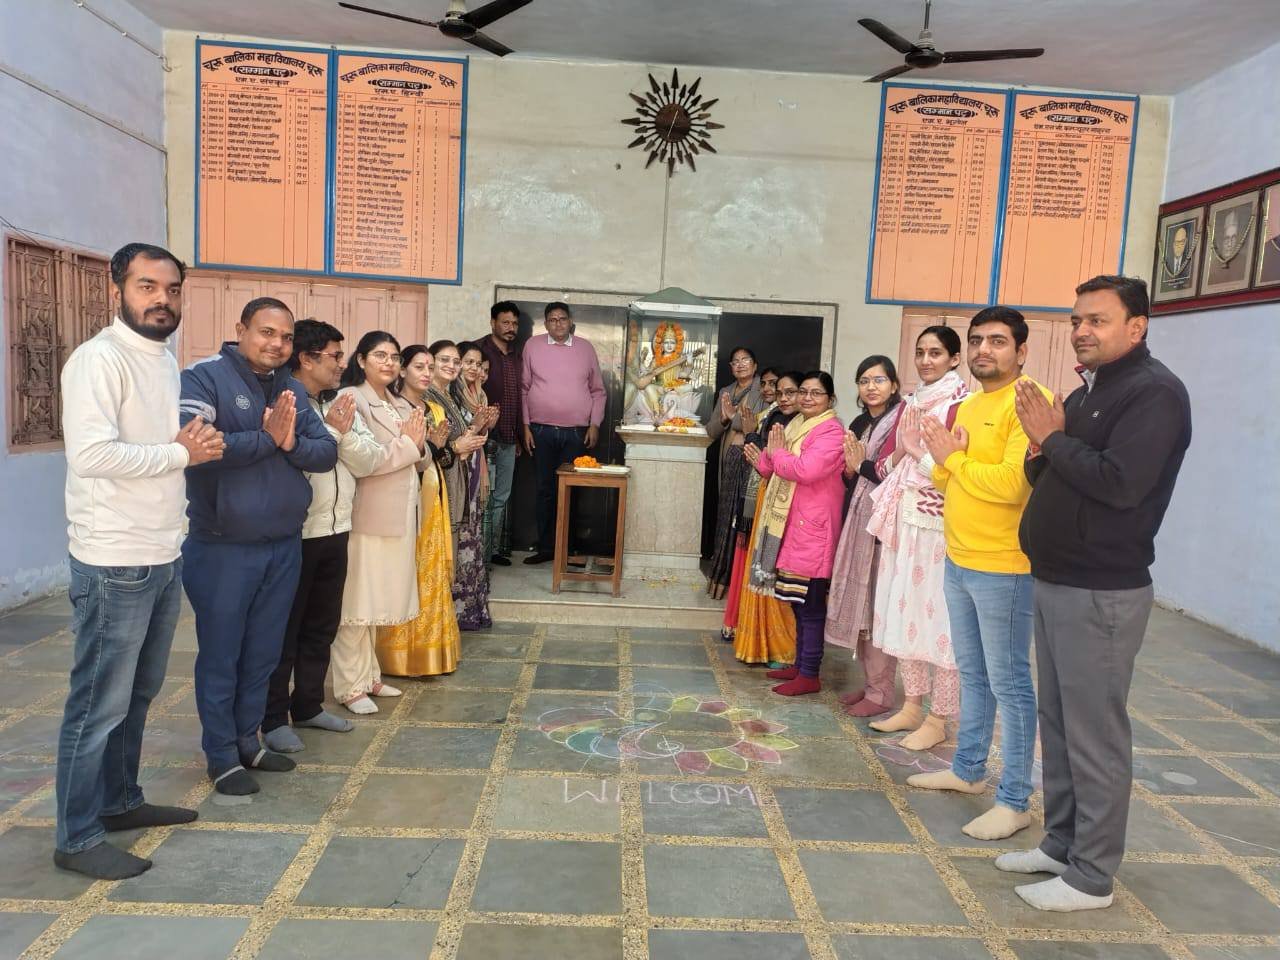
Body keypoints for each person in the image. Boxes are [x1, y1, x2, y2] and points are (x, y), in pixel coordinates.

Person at [1002, 276, 1191, 912]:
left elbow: (1120, 484)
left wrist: (1054, 439)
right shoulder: (1088, 393)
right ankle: (1061, 844)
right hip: (1057, 580)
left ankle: (1091, 876)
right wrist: (1043, 447)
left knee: (1095, 736)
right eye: (1077, 319)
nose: (1082, 330)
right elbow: (1054, 472)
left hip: (1101, 589)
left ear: (1136, 327)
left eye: (1097, 320)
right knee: (1058, 726)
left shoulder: (1154, 393)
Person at [54, 243, 221, 879]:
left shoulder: (162, 358)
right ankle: (76, 838)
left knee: (137, 695)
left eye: (172, 289)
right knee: (97, 705)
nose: (161, 299)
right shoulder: (98, 360)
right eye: (147, 286)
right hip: (113, 559)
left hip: (161, 551)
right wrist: (181, 454)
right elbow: (92, 455)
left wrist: (187, 449)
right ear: (117, 289)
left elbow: (160, 445)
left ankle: (119, 801)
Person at [180, 298, 337, 796]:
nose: (277, 344)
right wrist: (268, 439)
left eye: (286, 337)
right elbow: (198, 446)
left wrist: (289, 444)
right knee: (222, 655)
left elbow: (326, 452)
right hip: (224, 547)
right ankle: (221, 755)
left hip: (283, 545)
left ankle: (249, 742)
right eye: (267, 332)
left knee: (263, 654)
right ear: (241, 329)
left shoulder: (291, 387)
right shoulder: (205, 377)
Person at [907, 306, 1051, 842]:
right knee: (973, 674)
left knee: (1010, 683)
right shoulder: (968, 404)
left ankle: (1014, 801)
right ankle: (968, 770)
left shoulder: (1030, 402)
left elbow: (1013, 485)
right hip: (960, 558)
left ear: (1021, 350)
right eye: (976, 340)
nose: (983, 350)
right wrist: (947, 461)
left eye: (997, 341)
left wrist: (955, 461)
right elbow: (946, 479)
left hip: (1005, 566)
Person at [262, 320, 391, 752]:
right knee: (286, 629)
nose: (341, 364)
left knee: (322, 625)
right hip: (298, 532)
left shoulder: (339, 402)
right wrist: (334, 433)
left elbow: (370, 460)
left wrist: (339, 433)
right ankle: (273, 717)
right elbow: (295, 458)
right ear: (306, 358)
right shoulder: (284, 401)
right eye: (335, 356)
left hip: (337, 528)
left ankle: (309, 705)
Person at [865, 329, 968, 741]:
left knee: (939, 624)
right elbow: (890, 465)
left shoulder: (961, 406)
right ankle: (911, 707)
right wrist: (902, 452)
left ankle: (939, 719)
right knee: (905, 615)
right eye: (921, 352)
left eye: (936, 353)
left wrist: (916, 452)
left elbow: (955, 474)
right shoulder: (911, 403)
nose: (926, 360)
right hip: (905, 522)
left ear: (954, 358)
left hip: (939, 528)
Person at [330, 332, 428, 715]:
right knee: (356, 603)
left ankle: (369, 675)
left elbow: (420, 454)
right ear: (361, 360)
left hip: (398, 514)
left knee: (376, 601)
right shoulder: (351, 399)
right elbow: (362, 460)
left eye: (394, 356)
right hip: (366, 515)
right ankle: (349, 686)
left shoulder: (397, 403)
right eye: (380, 355)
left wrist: (418, 444)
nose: (389, 363)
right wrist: (409, 445)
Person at [749, 372, 845, 696]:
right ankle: (800, 665)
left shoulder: (831, 431)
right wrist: (766, 459)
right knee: (797, 602)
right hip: (793, 526)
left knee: (811, 605)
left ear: (830, 399)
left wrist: (777, 455)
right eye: (803, 391)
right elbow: (773, 468)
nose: (807, 398)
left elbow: (806, 469)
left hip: (814, 528)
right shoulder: (795, 426)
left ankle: (809, 674)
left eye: (816, 393)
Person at [825, 356, 904, 717]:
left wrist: (861, 465)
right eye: (864, 381)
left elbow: (896, 473)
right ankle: (871, 684)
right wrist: (850, 469)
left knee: (877, 610)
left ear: (893, 384)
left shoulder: (900, 423)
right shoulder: (859, 423)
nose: (871, 387)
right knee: (863, 610)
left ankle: (882, 691)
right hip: (858, 522)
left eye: (879, 380)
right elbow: (853, 476)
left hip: (885, 527)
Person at [377, 345, 461, 676]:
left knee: (430, 568)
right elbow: (392, 459)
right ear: (402, 371)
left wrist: (443, 449)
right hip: (404, 497)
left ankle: (429, 650)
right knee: (406, 569)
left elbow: (445, 458)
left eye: (429, 367)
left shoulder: (434, 409)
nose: (427, 373)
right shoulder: (392, 409)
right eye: (419, 367)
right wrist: (432, 448)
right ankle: (397, 655)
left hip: (433, 492)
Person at [520, 302, 606, 564]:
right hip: (541, 431)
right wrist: (525, 426)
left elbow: (598, 391)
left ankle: (566, 550)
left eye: (563, 319)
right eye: (552, 319)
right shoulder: (532, 346)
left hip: (576, 434)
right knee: (545, 490)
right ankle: (546, 549)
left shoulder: (585, 348)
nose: (558, 323)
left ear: (571, 322)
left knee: (570, 491)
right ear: (546, 323)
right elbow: (524, 389)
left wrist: (594, 424)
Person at [734, 372, 802, 666]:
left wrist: (760, 451)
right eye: (781, 392)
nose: (784, 398)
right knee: (763, 568)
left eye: (791, 392)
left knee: (780, 574)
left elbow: (789, 465)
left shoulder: (805, 426)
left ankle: (783, 647)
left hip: (790, 506)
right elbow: (765, 461)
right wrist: (758, 450)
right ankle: (761, 643)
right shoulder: (774, 417)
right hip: (767, 496)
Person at [430, 339, 497, 629]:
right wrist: (460, 444)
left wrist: (479, 426)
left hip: (463, 474)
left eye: (456, 362)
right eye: (447, 360)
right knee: (451, 546)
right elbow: (441, 446)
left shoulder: (454, 394)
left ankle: (463, 610)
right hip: (443, 480)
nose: (455, 366)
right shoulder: (430, 396)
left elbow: (463, 437)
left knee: (464, 542)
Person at [706, 347, 768, 599]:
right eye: (736, 361)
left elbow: (761, 424)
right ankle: (720, 578)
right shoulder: (726, 391)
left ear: (755, 365)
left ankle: (738, 584)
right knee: (726, 519)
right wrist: (725, 419)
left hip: (752, 462)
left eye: (746, 360)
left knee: (742, 522)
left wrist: (734, 418)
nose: (740, 364)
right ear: (731, 367)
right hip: (729, 461)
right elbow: (711, 431)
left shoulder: (764, 389)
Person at [479, 301, 523, 567]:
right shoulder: (478, 351)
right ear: (493, 323)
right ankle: (477, 554)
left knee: (501, 497)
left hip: (508, 438)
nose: (510, 328)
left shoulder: (517, 356)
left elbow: (518, 397)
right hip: (483, 439)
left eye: (515, 323)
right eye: (505, 322)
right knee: (482, 497)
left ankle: (491, 551)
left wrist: (518, 435)